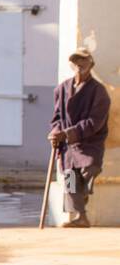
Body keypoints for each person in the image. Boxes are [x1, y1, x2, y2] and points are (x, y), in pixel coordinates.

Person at [50, 49, 111, 228]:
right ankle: (80, 216)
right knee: (69, 176)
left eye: (83, 61)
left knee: (89, 169)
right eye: (75, 61)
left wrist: (68, 133)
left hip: (89, 143)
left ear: (91, 64)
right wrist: (55, 133)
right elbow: (57, 118)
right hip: (67, 146)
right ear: (71, 65)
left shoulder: (99, 91)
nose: (79, 65)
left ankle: (80, 201)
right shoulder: (62, 89)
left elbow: (95, 122)